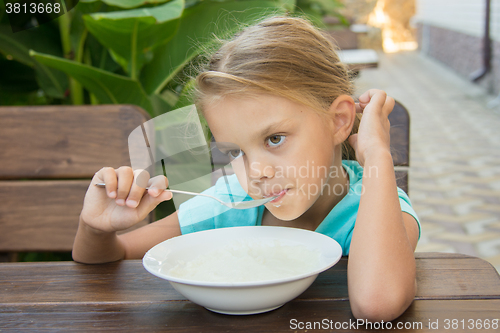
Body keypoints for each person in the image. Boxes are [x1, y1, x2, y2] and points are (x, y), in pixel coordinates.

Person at [72, 15, 420, 321]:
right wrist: (97, 228)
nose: (256, 172)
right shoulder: (230, 203)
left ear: (340, 121)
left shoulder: (376, 206)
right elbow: (110, 259)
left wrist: (377, 156)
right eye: (235, 151)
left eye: (274, 139)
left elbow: (377, 305)